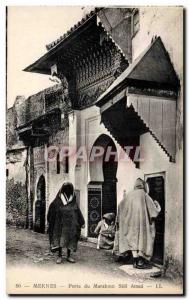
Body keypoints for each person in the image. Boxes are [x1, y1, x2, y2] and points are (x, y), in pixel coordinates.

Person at [113, 178, 161, 269]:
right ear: (143, 185)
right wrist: (157, 206)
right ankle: (139, 262)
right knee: (141, 240)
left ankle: (135, 261)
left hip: (130, 223)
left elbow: (120, 206)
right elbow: (153, 210)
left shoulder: (129, 195)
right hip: (141, 223)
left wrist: (121, 219)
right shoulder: (144, 195)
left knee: (133, 241)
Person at [47, 182, 85, 264]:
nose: (68, 190)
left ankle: (69, 256)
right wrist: (50, 220)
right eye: (66, 189)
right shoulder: (57, 201)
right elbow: (51, 211)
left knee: (70, 239)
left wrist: (82, 222)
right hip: (60, 225)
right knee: (60, 240)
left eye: (69, 189)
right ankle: (59, 256)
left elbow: (78, 212)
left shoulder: (73, 201)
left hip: (71, 226)